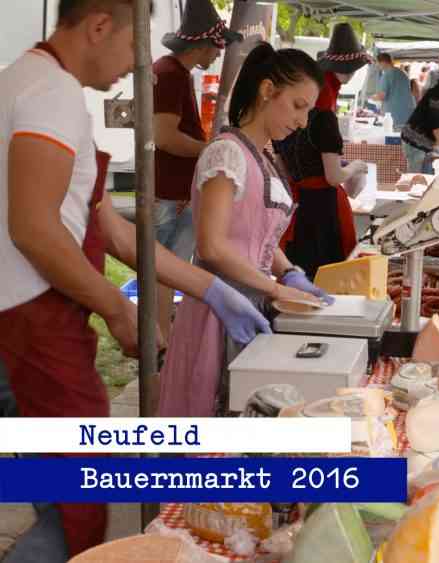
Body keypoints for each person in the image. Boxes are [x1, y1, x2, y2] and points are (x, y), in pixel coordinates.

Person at [0, 0, 270, 556]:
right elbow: (33, 227)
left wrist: (210, 290)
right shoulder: (50, 93)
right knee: (74, 502)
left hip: (29, 320)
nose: (136, 66)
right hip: (29, 320)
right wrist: (115, 306)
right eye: (133, 46)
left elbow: (117, 235)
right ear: (99, 26)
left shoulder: (28, 83)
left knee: (56, 493)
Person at [158, 44, 333, 418]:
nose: (302, 122)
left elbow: (256, 225)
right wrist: (273, 286)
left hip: (250, 302)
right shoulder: (227, 154)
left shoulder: (264, 155)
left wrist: (288, 271)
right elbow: (212, 246)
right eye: (298, 106)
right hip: (217, 307)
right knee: (211, 416)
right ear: (268, 90)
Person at [153, 0, 241, 341]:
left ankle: (163, 337)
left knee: (168, 270)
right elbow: (164, 137)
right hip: (169, 192)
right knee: (166, 271)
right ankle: (161, 340)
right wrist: (209, 149)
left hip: (173, 190)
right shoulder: (171, 74)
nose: (219, 53)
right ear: (203, 44)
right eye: (218, 45)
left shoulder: (174, 73)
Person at [272, 23, 370, 278]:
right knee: (326, 278)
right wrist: (357, 166)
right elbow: (333, 176)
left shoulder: (283, 118)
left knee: (298, 275)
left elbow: (282, 165)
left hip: (296, 205)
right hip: (323, 211)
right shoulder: (324, 117)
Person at [372, 52, 416, 130]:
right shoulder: (403, 73)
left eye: (378, 63)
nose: (377, 66)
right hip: (409, 114)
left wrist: (373, 97)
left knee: (394, 140)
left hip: (395, 117)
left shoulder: (386, 75)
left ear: (382, 62)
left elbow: (382, 96)